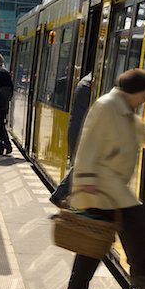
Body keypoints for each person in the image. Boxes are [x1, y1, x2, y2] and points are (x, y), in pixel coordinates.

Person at [66, 68, 145, 289]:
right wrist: (86, 180)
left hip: (107, 184)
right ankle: (140, 274)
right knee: (137, 225)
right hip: (101, 183)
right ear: (135, 90)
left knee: (97, 237)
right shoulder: (107, 107)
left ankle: (77, 288)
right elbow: (88, 144)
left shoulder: (123, 110)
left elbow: (141, 136)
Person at [50, 72, 92, 206]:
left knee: (80, 166)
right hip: (81, 131)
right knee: (82, 166)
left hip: (76, 128)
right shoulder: (88, 86)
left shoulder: (84, 83)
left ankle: (62, 195)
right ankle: (61, 195)